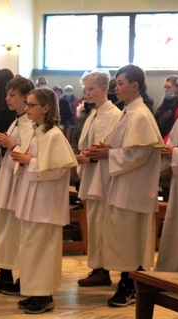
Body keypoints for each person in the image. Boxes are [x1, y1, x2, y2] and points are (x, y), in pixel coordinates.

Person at [88, 64, 163, 307]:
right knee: (122, 236)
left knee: (129, 237)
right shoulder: (129, 111)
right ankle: (127, 282)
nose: (116, 88)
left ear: (135, 86)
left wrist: (109, 154)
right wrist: (108, 151)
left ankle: (129, 285)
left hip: (133, 188)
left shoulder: (139, 114)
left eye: (120, 83)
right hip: (124, 185)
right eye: (116, 83)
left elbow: (139, 153)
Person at [11, 88, 77, 314]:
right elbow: (34, 162)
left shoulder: (54, 135)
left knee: (43, 249)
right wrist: (23, 160)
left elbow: (58, 169)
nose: (27, 108)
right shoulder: (37, 132)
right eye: (27, 104)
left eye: (31, 105)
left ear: (46, 108)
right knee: (30, 247)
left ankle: (44, 295)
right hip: (32, 199)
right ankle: (33, 292)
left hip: (46, 202)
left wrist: (29, 161)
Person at [0, 76, 34, 295]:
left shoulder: (31, 123)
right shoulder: (15, 120)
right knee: (4, 228)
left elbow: (31, 152)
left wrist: (10, 144)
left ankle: (22, 277)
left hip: (20, 182)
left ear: (25, 98)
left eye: (13, 95)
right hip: (7, 178)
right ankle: (5, 275)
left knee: (17, 231)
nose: (8, 99)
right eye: (7, 94)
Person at [75, 71, 121, 287]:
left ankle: (103, 269)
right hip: (94, 173)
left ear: (104, 89)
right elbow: (89, 143)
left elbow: (109, 146)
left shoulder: (113, 114)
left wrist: (89, 156)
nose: (87, 93)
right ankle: (98, 267)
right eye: (86, 89)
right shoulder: (95, 113)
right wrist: (84, 155)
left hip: (104, 176)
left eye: (91, 89)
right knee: (94, 222)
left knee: (102, 224)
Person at [155, 71, 178, 272]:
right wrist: (164, 152)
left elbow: (176, 150)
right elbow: (171, 145)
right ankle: (173, 270)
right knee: (176, 225)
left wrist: (174, 152)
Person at [154, 75, 178, 141]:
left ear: (177, 89)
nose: (165, 90)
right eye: (165, 87)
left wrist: (163, 143)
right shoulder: (164, 103)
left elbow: (176, 129)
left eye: (168, 87)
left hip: (167, 141)